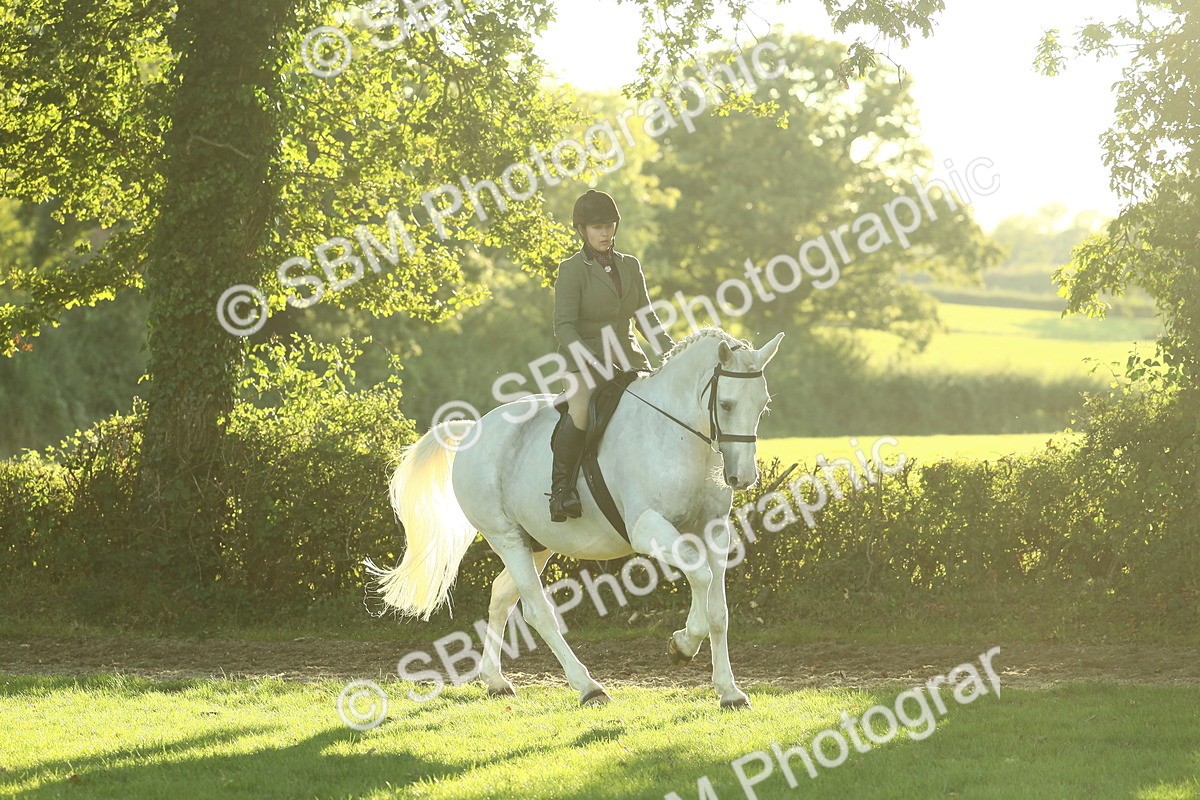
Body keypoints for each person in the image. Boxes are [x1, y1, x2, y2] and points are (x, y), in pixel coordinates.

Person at [548, 189, 675, 522]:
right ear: (582, 230)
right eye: (596, 227)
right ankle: (561, 492)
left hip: (628, 357)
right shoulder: (571, 269)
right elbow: (563, 326)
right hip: (583, 359)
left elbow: (646, 318)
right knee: (580, 412)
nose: (605, 233)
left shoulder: (630, 266)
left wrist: (673, 352)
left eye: (609, 225)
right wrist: (592, 360)